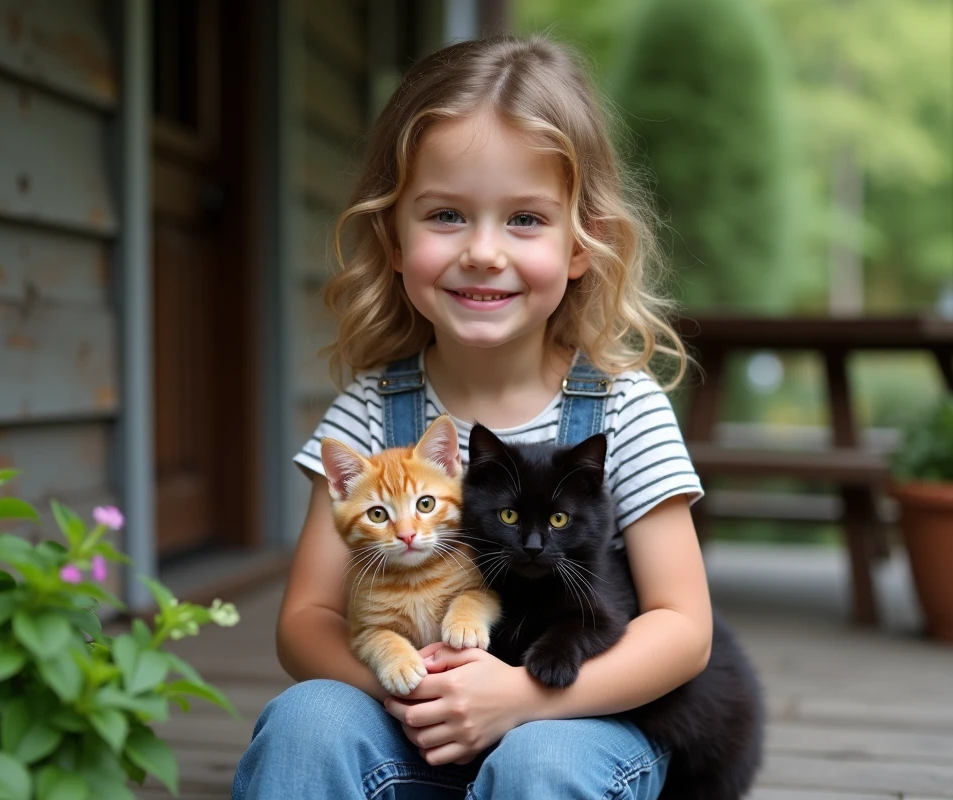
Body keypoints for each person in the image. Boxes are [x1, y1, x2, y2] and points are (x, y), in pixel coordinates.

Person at [232, 32, 712, 800]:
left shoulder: (623, 409)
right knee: (306, 721)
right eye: (447, 215)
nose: (484, 252)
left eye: (525, 220)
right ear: (392, 238)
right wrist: (414, 689)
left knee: (538, 763)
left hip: (571, 727)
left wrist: (524, 698)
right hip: (410, 726)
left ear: (582, 243)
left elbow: (683, 630)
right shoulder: (369, 415)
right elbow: (307, 619)